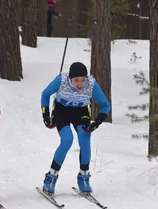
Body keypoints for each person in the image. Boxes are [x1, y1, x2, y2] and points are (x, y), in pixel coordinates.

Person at [40, 62, 111, 195]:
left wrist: (97, 122)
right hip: (62, 111)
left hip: (81, 112)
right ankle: (51, 177)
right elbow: (45, 94)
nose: (80, 84)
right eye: (76, 80)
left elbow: (105, 105)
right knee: (67, 140)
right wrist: (45, 115)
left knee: (84, 141)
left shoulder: (91, 84)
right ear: (70, 79)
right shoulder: (61, 80)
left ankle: (84, 177)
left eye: (83, 80)